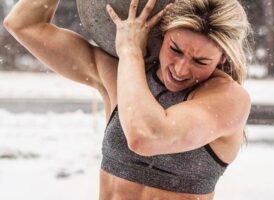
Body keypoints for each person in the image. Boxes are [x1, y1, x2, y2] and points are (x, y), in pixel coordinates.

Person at [3, 0, 251, 199]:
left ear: (223, 59)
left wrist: (130, 51)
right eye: (175, 49)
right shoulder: (121, 74)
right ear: (161, 34)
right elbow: (24, 24)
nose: (181, 69)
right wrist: (129, 58)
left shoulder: (229, 100)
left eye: (200, 61)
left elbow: (146, 136)